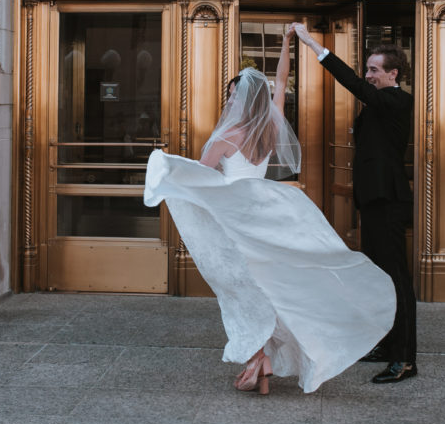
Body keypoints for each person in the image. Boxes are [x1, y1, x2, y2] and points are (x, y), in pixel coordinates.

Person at [144, 27, 395, 394]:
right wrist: (286, 46)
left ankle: (258, 359)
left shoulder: (227, 137)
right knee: (267, 286)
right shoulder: (270, 126)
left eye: (232, 96)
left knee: (247, 289)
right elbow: (280, 82)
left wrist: (166, 169)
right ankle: (260, 362)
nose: (229, 102)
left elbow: (200, 173)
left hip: (238, 218)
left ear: (242, 99)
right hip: (265, 209)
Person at [291, 22, 417, 384]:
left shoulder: (397, 99)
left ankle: (405, 359)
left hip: (389, 201)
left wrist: (314, 46)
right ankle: (388, 344)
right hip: (374, 199)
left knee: (397, 279)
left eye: (375, 70)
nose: (369, 75)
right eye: (368, 69)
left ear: (393, 74)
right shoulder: (380, 103)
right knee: (381, 278)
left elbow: (356, 86)